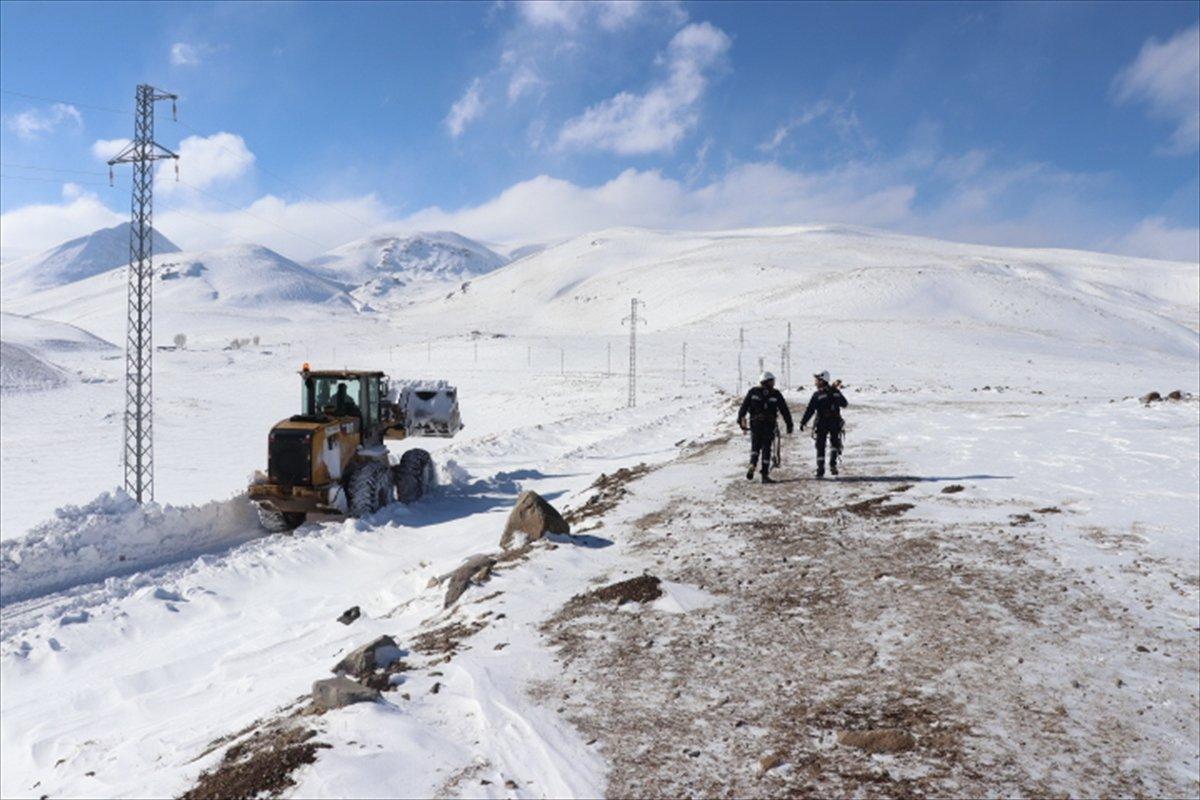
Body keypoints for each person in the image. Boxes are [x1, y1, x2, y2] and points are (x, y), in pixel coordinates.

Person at [737, 371, 794, 484]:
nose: (773, 383)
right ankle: (764, 475)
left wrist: (740, 420)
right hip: (769, 424)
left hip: (755, 424)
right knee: (766, 448)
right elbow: (784, 410)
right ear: (767, 381)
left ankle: (753, 464)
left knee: (755, 447)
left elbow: (743, 407)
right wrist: (789, 424)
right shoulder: (775, 394)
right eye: (772, 381)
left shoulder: (753, 392)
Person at [799, 370, 847, 478]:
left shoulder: (817, 395)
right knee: (835, 443)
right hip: (834, 422)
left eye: (817, 380)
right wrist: (836, 394)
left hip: (822, 422)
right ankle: (832, 464)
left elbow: (810, 410)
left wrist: (803, 422)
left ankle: (820, 469)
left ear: (822, 380)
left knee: (820, 446)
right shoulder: (834, 392)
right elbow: (844, 403)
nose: (815, 382)